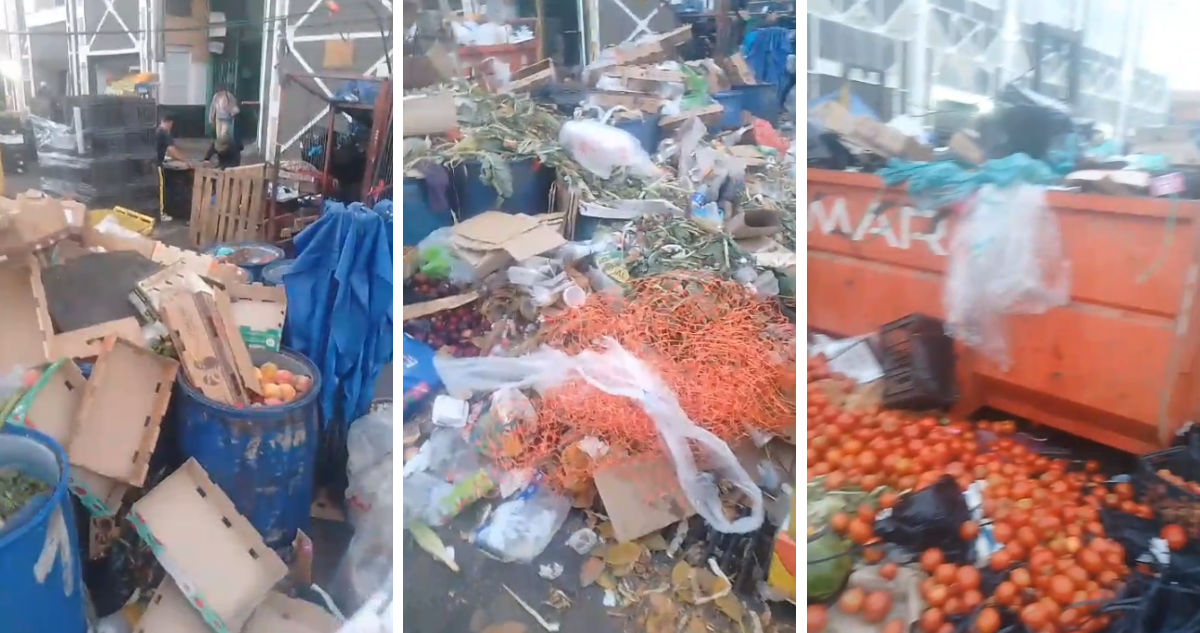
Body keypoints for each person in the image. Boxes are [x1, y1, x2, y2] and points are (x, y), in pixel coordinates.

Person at [157, 115, 188, 219]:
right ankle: (161, 214)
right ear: (170, 123)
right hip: (157, 164)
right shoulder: (165, 133)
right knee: (161, 188)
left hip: (151, 162)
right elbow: (172, 150)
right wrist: (185, 160)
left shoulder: (157, 131)